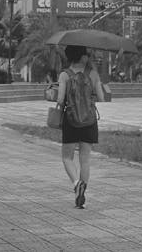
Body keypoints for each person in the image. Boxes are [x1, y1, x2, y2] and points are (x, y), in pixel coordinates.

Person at [56, 45, 104, 209]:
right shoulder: (93, 74)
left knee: (67, 157)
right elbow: (102, 97)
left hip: (71, 120)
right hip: (89, 120)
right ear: (82, 57)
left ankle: (76, 183)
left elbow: (60, 100)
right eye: (87, 54)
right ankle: (82, 188)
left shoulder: (65, 75)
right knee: (85, 159)